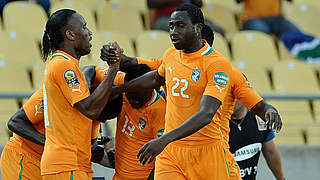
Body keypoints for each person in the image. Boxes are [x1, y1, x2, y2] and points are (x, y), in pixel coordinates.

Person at [119, 22, 282, 180]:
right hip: (174, 150)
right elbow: (142, 68)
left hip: (211, 152)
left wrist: (269, 110)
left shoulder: (226, 73)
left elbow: (257, 105)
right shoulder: (172, 61)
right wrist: (118, 65)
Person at [109, 4, 232, 179]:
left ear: (198, 28)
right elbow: (154, 79)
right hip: (172, 152)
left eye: (180, 25)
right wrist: (119, 89)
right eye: (171, 26)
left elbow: (206, 113)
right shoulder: (171, 55)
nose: (173, 31)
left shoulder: (217, 64)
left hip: (206, 151)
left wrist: (163, 139)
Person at [40, 9, 122, 180]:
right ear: (70, 34)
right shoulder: (63, 66)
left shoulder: (67, 65)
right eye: (84, 27)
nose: (89, 33)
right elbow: (90, 109)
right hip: (66, 165)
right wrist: (113, 69)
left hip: (74, 164)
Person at [0, 88, 115, 179]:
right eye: (103, 116)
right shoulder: (56, 93)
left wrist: (108, 156)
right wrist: (54, 144)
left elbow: (88, 151)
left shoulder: (94, 118)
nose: (103, 121)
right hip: (24, 158)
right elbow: (15, 122)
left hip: (54, 166)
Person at [85, 64, 166, 180]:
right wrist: (86, 88)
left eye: (139, 97)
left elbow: (163, 160)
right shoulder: (122, 82)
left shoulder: (159, 112)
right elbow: (90, 69)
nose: (133, 100)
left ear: (151, 88)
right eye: (130, 95)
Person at [229, 100, 285, 180]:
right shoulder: (216, 123)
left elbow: (270, 152)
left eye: (233, 95)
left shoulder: (259, 119)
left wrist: (281, 179)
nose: (229, 100)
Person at [148, 0, 225, 35]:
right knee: (189, 28)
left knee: (217, 29)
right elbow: (150, 3)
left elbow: (199, 4)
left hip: (189, 18)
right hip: (165, 18)